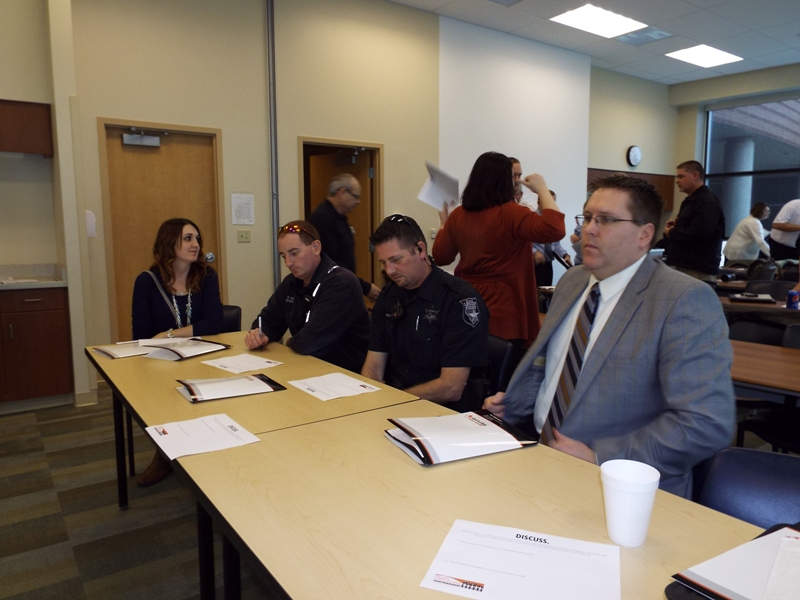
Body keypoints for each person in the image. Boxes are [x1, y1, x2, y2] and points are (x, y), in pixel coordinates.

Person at [484, 175, 734, 498]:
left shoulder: (682, 299)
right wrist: (514, 405)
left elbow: (705, 422)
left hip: (622, 490)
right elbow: (552, 367)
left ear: (644, 234)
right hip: (540, 460)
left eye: (606, 220)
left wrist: (602, 458)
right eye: (588, 217)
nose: (589, 229)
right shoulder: (573, 281)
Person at [432, 151, 565, 353]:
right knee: (506, 367)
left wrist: (443, 224)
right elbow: (555, 229)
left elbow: (441, 257)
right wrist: (542, 189)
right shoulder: (511, 213)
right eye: (513, 176)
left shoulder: (459, 215)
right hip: (507, 309)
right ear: (504, 181)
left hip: (469, 305)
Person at [362, 214, 489, 412]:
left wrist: (395, 401)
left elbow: (451, 387)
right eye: (383, 262)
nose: (389, 270)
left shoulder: (458, 299)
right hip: (396, 403)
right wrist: (373, 399)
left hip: (445, 411)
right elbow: (373, 366)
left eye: (396, 260)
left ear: (420, 250)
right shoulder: (389, 296)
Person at [132, 217, 223, 486]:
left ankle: (207, 453)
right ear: (169, 243)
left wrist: (170, 334)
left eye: (197, 239)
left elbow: (215, 323)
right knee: (164, 397)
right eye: (187, 238)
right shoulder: (147, 282)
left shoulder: (207, 277)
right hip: (161, 362)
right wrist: (166, 341)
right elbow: (141, 335)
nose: (196, 244)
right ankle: (164, 456)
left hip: (203, 357)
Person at [245, 220, 369, 373]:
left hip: (345, 374)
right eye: (283, 256)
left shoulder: (341, 284)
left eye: (294, 253)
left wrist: (289, 344)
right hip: (308, 368)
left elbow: (310, 343)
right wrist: (259, 334)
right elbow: (269, 320)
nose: (288, 263)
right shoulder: (291, 283)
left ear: (316, 247)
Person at [308, 173, 381, 301]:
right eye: (355, 196)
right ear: (342, 193)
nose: (358, 202)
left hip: (343, 286)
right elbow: (329, 262)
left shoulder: (339, 218)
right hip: (332, 290)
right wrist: (364, 287)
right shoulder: (322, 219)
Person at [663, 160, 725, 282]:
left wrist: (672, 232)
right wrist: (677, 226)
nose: (677, 181)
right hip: (685, 265)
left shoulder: (706, 201)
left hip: (697, 269)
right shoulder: (691, 201)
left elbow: (699, 233)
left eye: (681, 176)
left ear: (695, 175)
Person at [533, 191, 573, 287]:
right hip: (534, 264)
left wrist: (565, 255)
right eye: (548, 201)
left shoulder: (552, 221)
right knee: (535, 292)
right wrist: (534, 252)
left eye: (553, 202)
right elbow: (523, 241)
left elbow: (555, 244)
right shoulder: (531, 219)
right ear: (538, 203)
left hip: (548, 264)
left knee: (547, 291)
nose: (551, 205)